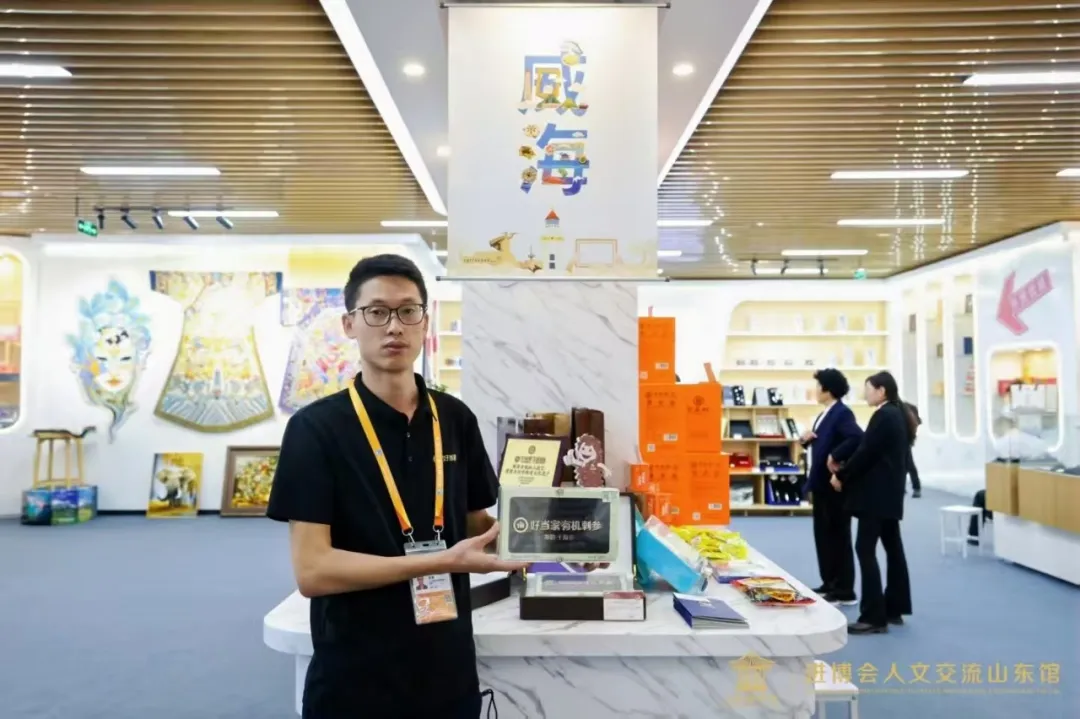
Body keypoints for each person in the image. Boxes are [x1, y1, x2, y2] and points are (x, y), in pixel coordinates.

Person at [267, 254, 528, 718]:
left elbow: (476, 527)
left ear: (425, 322)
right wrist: (440, 561)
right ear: (350, 324)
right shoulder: (315, 429)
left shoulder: (454, 418)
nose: (394, 327)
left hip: (447, 671)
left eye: (408, 311)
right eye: (377, 312)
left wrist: (556, 542)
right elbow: (313, 570)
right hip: (355, 675)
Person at [828, 371, 914, 635]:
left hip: (875, 497)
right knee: (893, 548)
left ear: (881, 391)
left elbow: (866, 453)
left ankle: (873, 616)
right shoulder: (898, 414)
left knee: (865, 549)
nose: (865, 394)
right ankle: (895, 607)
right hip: (890, 495)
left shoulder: (884, 416)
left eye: (868, 388)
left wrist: (842, 474)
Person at [800, 368, 863, 605]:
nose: (815, 390)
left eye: (818, 386)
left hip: (833, 485)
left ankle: (844, 589)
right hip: (821, 484)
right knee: (823, 535)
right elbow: (824, 440)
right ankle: (829, 582)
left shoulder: (842, 413)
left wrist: (835, 455)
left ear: (828, 389)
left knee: (838, 535)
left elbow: (856, 437)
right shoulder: (825, 414)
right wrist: (806, 440)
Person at [904, 402, 922, 498]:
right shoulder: (906, 408)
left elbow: (915, 424)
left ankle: (916, 488)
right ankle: (915, 487)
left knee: (908, 464)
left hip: (904, 440)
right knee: (907, 464)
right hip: (905, 440)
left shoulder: (905, 409)